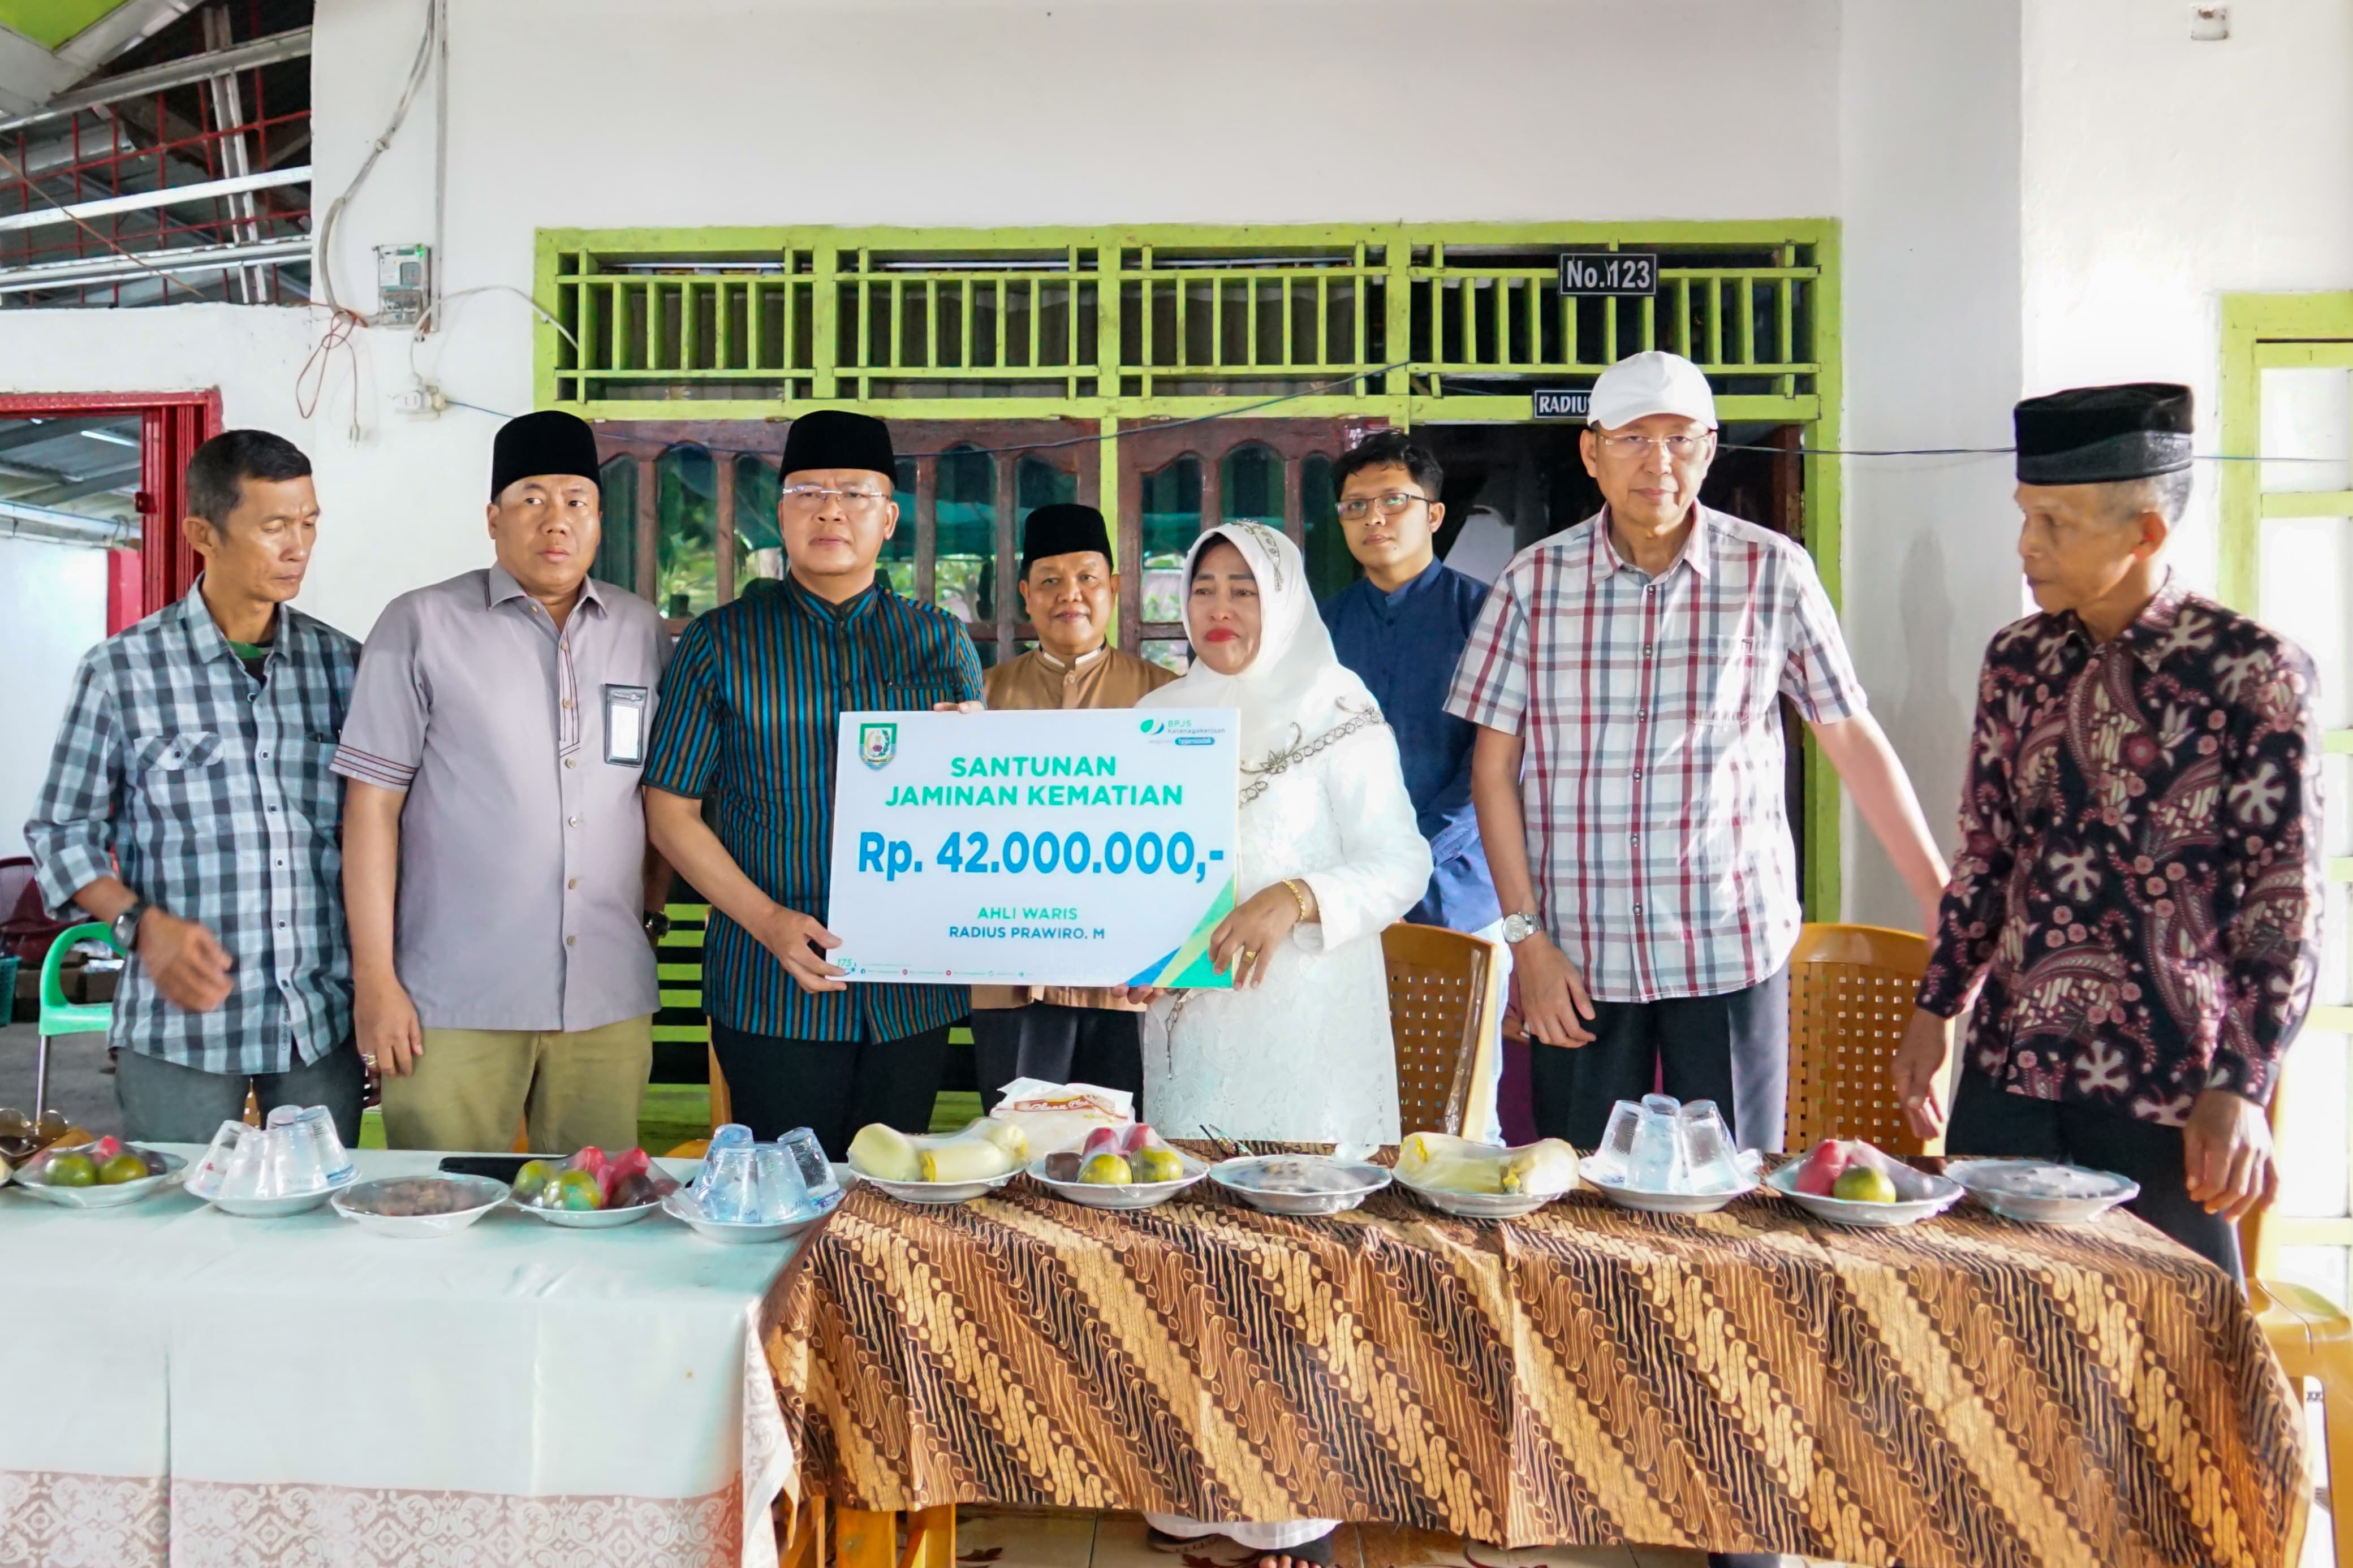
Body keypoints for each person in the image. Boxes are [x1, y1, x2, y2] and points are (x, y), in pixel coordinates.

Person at [1447, 351, 1949, 1156]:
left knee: (1731, 1186)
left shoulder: (1772, 572)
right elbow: (1492, 772)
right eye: (1634, 439)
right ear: (1591, 451)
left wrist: (1939, 892)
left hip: (1728, 939)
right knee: (1574, 1191)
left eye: (1681, 439)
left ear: (1711, 448)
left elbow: (1849, 734)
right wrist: (1527, 940)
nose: (1659, 463)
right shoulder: (1532, 583)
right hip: (1577, 952)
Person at [1891, 383, 2319, 1284]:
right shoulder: (2019, 661)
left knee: (2167, 1358)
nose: (2026, 545)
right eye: (2025, 515)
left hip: (2168, 1086)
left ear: (2146, 532)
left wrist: (2241, 1086)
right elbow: (1987, 852)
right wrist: (1938, 1008)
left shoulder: (2251, 673)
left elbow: (2285, 901)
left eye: (2055, 522)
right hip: (2013, 1069)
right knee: (1984, 1338)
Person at [1132, 521, 1429, 1568]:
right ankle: (1189, 1479)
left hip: (1305, 1027)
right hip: (1188, 1034)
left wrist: (1295, 894)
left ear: (1285, 599)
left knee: (1289, 1260)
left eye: (1244, 589)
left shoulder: (1339, 714)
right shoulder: (1158, 716)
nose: (1219, 608)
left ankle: (1286, 1497)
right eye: (1203, 587)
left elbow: (1399, 863)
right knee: (1188, 1248)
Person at [643, 411, 984, 1159]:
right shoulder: (719, 643)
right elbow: (669, 810)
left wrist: (974, 759)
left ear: (888, 518)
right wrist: (766, 919)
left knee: (888, 1203)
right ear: (782, 512)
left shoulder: (939, 640)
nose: (832, 509)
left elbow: (972, 808)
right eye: (809, 492)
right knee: (787, 1200)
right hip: (770, 987)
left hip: (911, 992)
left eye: (856, 494)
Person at [334, 411, 673, 1155]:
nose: (557, 520)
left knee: (595, 1216)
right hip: (454, 1001)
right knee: (440, 1211)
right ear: (494, 517)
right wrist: (376, 983)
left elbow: (656, 798)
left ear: (599, 517)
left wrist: (649, 913)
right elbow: (370, 812)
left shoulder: (642, 631)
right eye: (533, 498)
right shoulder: (421, 624)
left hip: (606, 998)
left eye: (577, 500)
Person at [24, 430, 364, 1142]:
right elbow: (61, 831)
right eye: (274, 526)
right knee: (178, 1229)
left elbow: (378, 833)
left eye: (308, 523)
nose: (297, 545)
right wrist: (141, 926)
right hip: (182, 1029)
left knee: (314, 1227)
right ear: (201, 533)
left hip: (317, 1022)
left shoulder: (343, 668)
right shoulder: (123, 671)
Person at [1317, 430, 1505, 1141]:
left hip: (1456, 893)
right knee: (1348, 1101)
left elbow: (1496, 756)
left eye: (1393, 500)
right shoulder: (1320, 629)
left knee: (1460, 1105)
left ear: (1432, 513)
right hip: (1343, 901)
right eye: (1355, 505)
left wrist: (1404, 854)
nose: (1373, 518)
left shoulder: (1487, 615)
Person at [969, 502, 1176, 1111]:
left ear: (1113, 587)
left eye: (1087, 577)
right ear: (1025, 595)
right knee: (1016, 1145)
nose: (1071, 595)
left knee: (1122, 1152)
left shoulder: (1167, 700)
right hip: (1012, 976)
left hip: (1126, 981)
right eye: (1051, 581)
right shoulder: (979, 697)